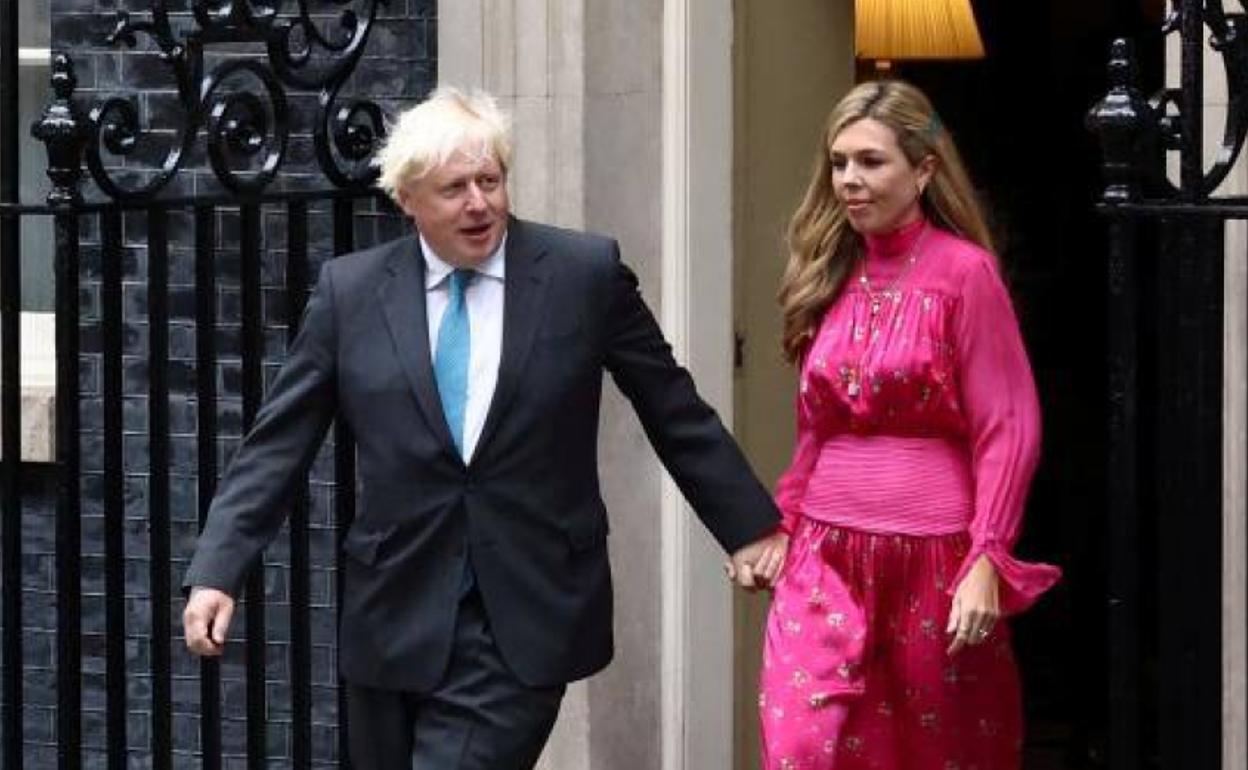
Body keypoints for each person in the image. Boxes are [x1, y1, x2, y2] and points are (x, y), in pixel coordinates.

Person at [181, 87, 787, 770]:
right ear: (407, 199)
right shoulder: (351, 293)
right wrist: (218, 570)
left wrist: (747, 525)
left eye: (490, 181)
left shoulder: (582, 275)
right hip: (394, 614)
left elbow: (672, 406)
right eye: (454, 189)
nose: (479, 204)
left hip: (526, 610)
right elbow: (278, 443)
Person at [758, 80, 1062, 769]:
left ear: (923, 171)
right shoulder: (826, 273)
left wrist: (988, 557)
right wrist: (784, 524)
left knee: (935, 751)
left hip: (933, 560)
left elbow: (1007, 424)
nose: (848, 179)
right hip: (823, 556)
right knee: (801, 745)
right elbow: (815, 430)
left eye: (871, 161)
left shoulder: (966, 274)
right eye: (839, 162)